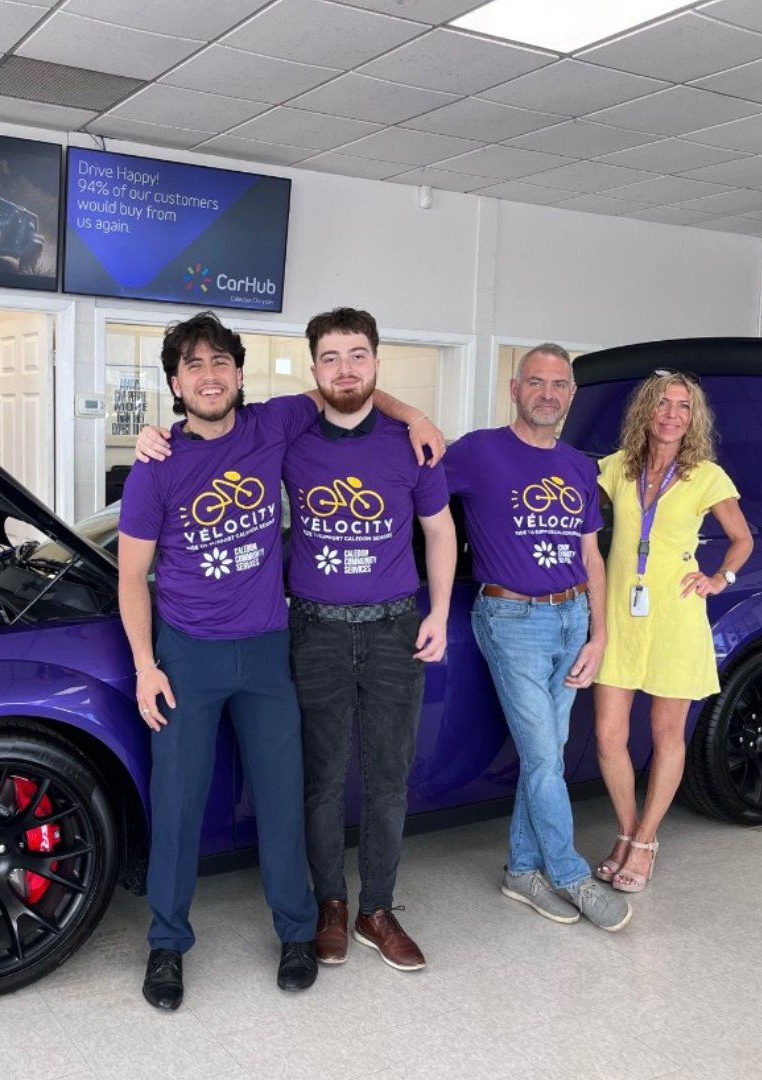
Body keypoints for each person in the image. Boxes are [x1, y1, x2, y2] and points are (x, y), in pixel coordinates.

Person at [119, 311, 441, 1011]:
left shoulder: (274, 425)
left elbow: (348, 388)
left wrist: (414, 412)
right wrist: (146, 665)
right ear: (175, 383)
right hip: (189, 657)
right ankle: (167, 946)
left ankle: (297, 932)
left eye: (220, 363)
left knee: (283, 801)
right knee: (177, 808)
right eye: (193, 367)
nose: (209, 377)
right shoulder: (155, 466)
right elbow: (130, 577)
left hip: (269, 651)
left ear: (239, 372)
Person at [285, 308, 456, 971]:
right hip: (316, 632)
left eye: (358, 356)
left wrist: (438, 612)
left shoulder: (411, 444)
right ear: (314, 369)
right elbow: (217, 434)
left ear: (377, 363)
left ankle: (376, 909)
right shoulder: (292, 436)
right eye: (331, 357)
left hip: (394, 631)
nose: (346, 369)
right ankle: (330, 901)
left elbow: (440, 532)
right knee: (321, 782)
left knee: (389, 781)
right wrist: (160, 436)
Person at [443, 343, 632, 932]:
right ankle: (571, 873)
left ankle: (522, 870)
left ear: (570, 396)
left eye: (559, 385)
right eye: (537, 382)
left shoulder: (580, 466)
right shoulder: (476, 452)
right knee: (546, 756)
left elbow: (591, 557)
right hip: (510, 620)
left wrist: (599, 634)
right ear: (515, 388)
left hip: (573, 617)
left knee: (542, 754)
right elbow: (410, 487)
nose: (548, 394)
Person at [592, 371, 752, 892]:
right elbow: (572, 506)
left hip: (676, 616)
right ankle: (625, 828)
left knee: (666, 735)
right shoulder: (617, 468)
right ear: (646, 411)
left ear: (693, 418)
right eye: (663, 404)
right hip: (619, 615)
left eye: (683, 406)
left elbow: (741, 539)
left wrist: (718, 577)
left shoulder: (707, 475)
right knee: (608, 736)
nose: (672, 414)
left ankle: (645, 840)